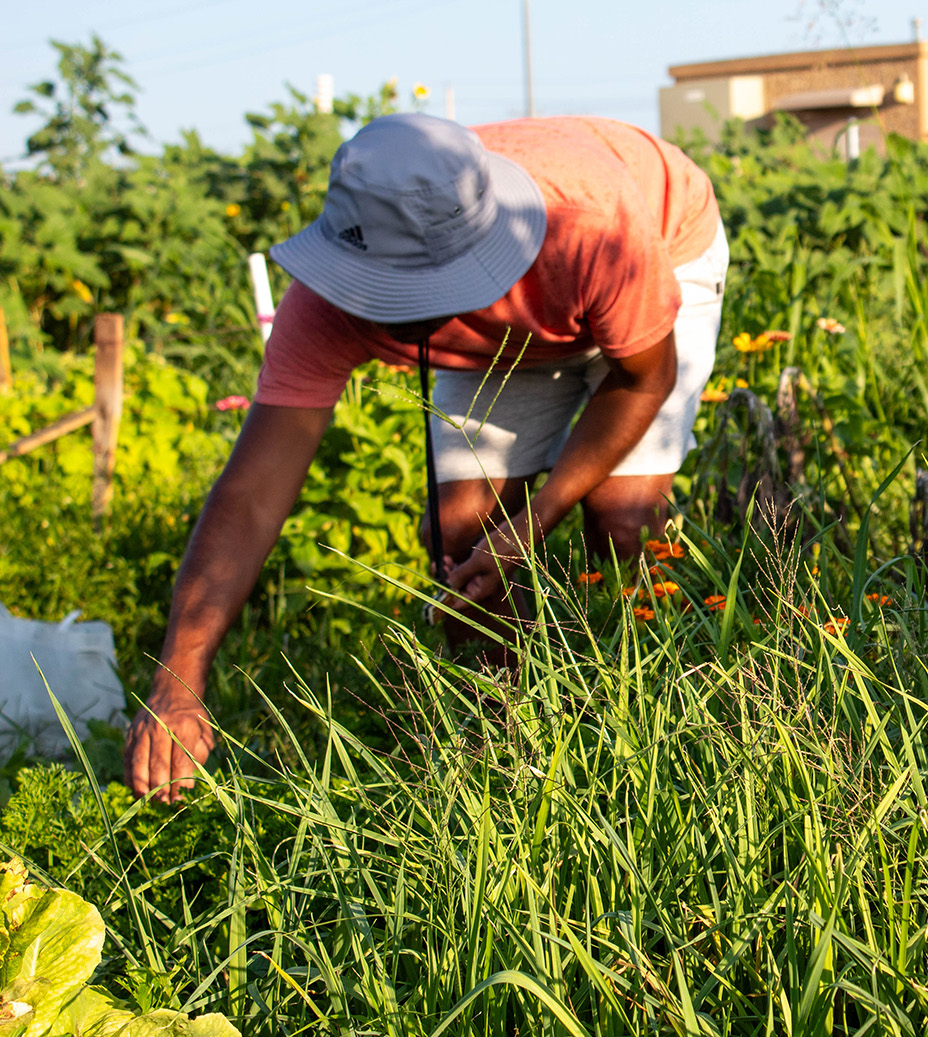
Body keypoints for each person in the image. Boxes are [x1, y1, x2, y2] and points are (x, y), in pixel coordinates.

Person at [124, 113, 726, 801]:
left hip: (659, 242)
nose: (399, 308)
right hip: (525, 305)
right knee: (462, 530)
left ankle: (649, 733)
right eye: (384, 289)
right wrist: (177, 678)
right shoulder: (324, 301)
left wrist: (531, 525)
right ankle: (512, 748)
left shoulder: (593, 230)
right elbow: (253, 492)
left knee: (619, 519)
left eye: (421, 289)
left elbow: (640, 379)